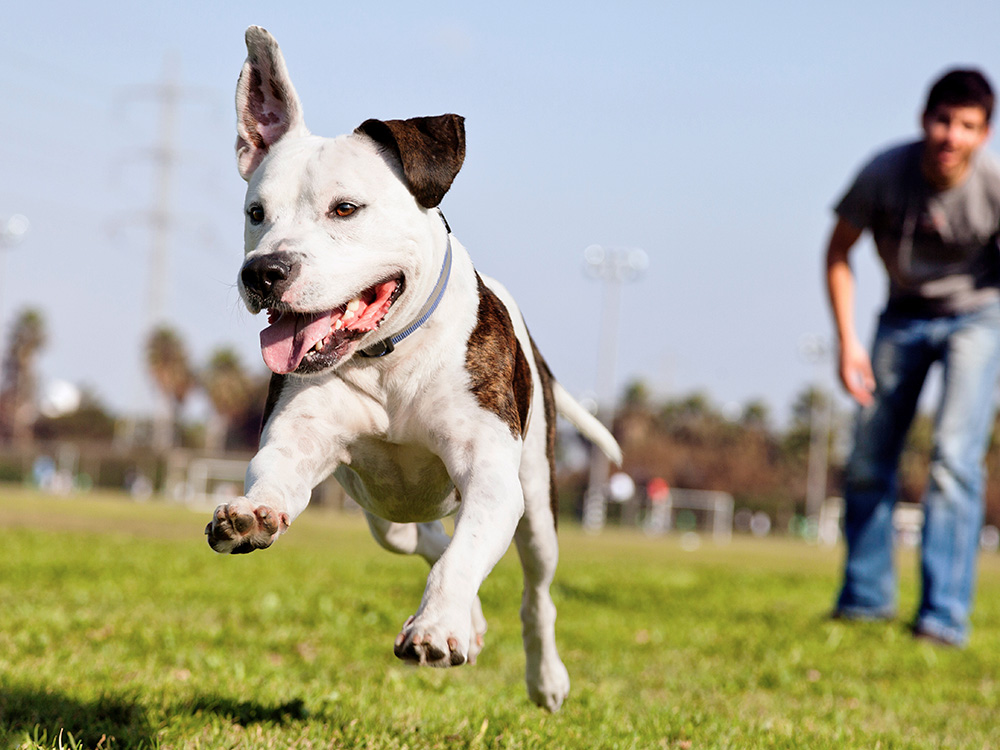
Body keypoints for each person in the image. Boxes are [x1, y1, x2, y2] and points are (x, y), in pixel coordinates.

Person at [825, 69, 1000, 646]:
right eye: (943, 120)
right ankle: (865, 601)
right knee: (870, 455)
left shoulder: (994, 184)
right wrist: (849, 341)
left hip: (977, 317)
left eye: (968, 126)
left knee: (953, 457)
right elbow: (838, 252)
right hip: (901, 315)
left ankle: (943, 616)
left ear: (985, 134)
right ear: (925, 120)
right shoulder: (884, 174)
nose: (952, 135)